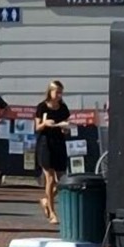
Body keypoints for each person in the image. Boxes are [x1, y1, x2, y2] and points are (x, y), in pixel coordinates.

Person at [35, 80, 71, 225]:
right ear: (50, 92)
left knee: (62, 180)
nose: (59, 95)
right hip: (45, 143)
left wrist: (65, 127)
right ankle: (52, 212)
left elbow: (66, 126)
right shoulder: (42, 107)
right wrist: (45, 124)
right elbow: (37, 127)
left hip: (59, 143)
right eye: (57, 92)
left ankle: (45, 200)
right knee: (50, 178)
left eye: (61, 92)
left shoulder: (63, 108)